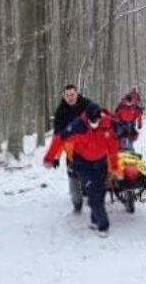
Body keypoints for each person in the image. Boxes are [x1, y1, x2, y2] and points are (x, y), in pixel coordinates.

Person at [43, 103, 120, 236]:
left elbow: (113, 148)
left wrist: (114, 166)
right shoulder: (77, 126)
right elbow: (59, 139)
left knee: (100, 193)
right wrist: (49, 158)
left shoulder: (107, 124)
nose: (95, 123)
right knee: (93, 192)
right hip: (83, 164)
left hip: (101, 162)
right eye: (92, 121)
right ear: (87, 119)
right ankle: (103, 226)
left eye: (97, 120)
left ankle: (95, 220)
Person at [49, 84, 91, 213]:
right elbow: (57, 135)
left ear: (77, 94)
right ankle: (77, 202)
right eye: (67, 95)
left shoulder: (87, 104)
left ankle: (89, 190)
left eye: (72, 94)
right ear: (64, 96)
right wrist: (55, 156)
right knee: (73, 172)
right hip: (71, 147)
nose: (70, 98)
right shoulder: (60, 112)